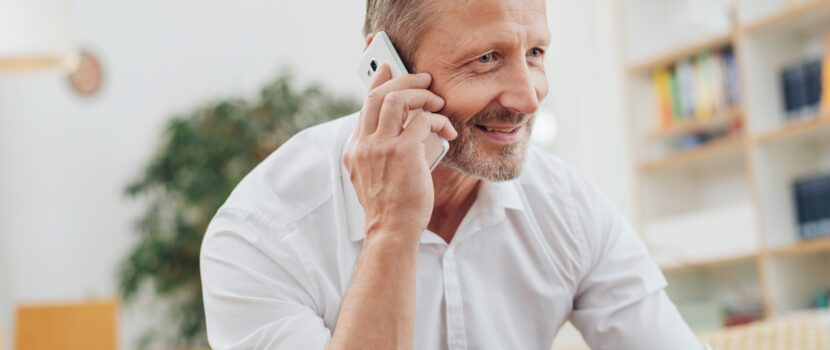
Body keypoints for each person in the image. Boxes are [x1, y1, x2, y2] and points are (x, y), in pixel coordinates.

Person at [200, 0, 706, 349]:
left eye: (535, 53)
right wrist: (391, 228)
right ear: (387, 69)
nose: (528, 96)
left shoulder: (568, 208)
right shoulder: (259, 233)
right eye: (486, 59)